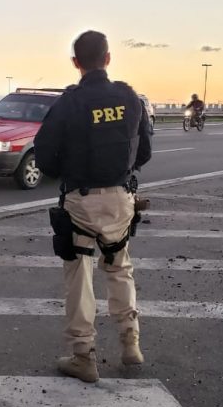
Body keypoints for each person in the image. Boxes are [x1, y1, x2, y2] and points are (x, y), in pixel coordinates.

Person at [34, 30, 152, 382]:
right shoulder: (130, 98)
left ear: (76, 62)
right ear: (108, 58)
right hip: (120, 198)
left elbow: (44, 155)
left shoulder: (69, 103)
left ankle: (83, 355)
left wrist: (67, 173)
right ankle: (130, 344)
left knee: (79, 276)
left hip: (81, 202)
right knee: (120, 267)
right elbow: (144, 152)